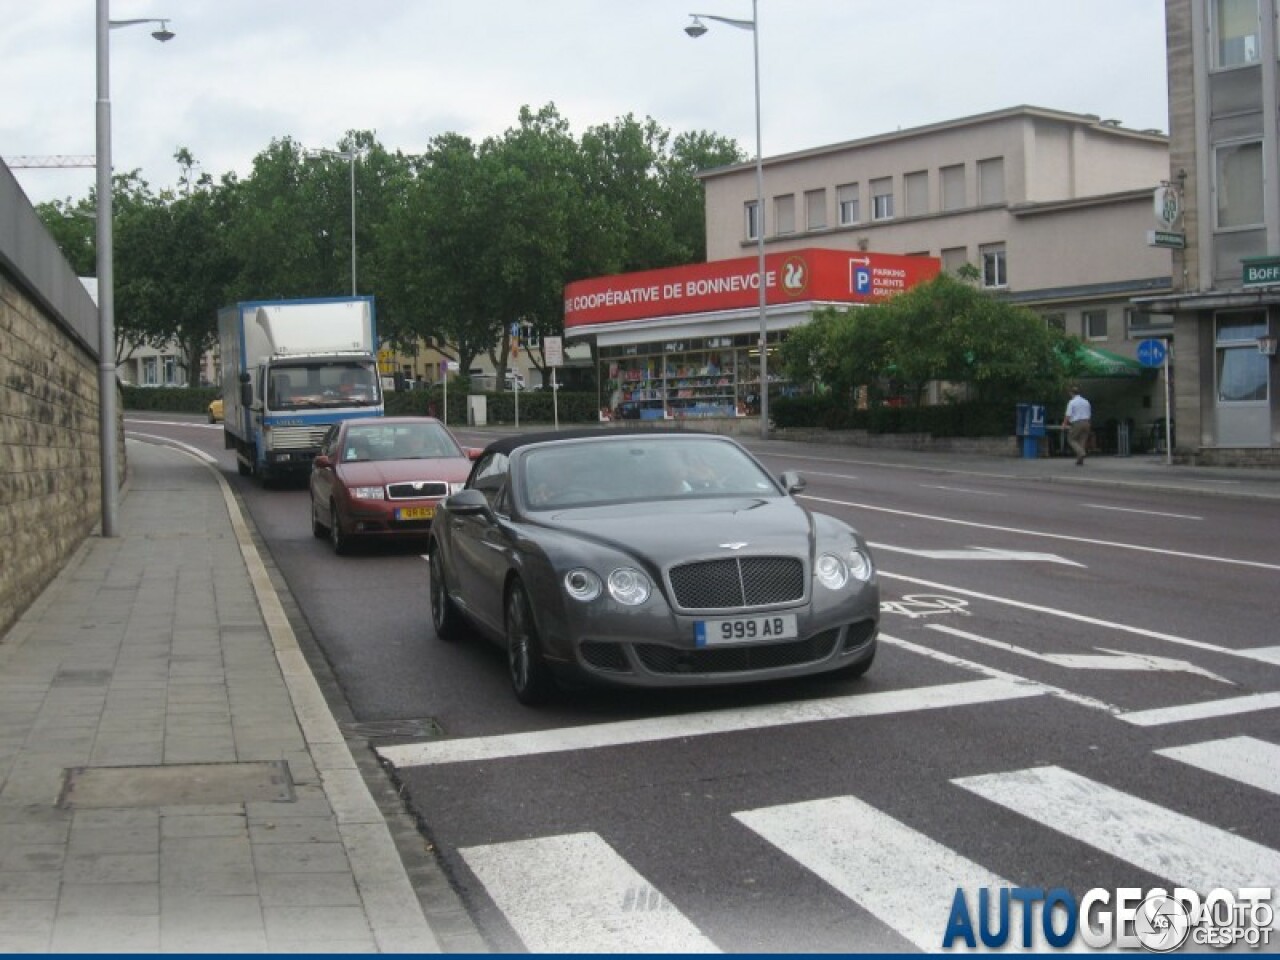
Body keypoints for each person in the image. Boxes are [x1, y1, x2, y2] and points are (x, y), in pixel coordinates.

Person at [1063, 385, 1092, 465]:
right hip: (1086, 422)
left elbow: (1068, 415)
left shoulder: (1072, 402)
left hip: (1077, 423)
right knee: (1082, 441)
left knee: (1071, 439)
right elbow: (1089, 414)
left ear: (1071, 393)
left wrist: (1064, 424)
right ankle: (1080, 460)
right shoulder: (1086, 401)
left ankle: (1081, 452)